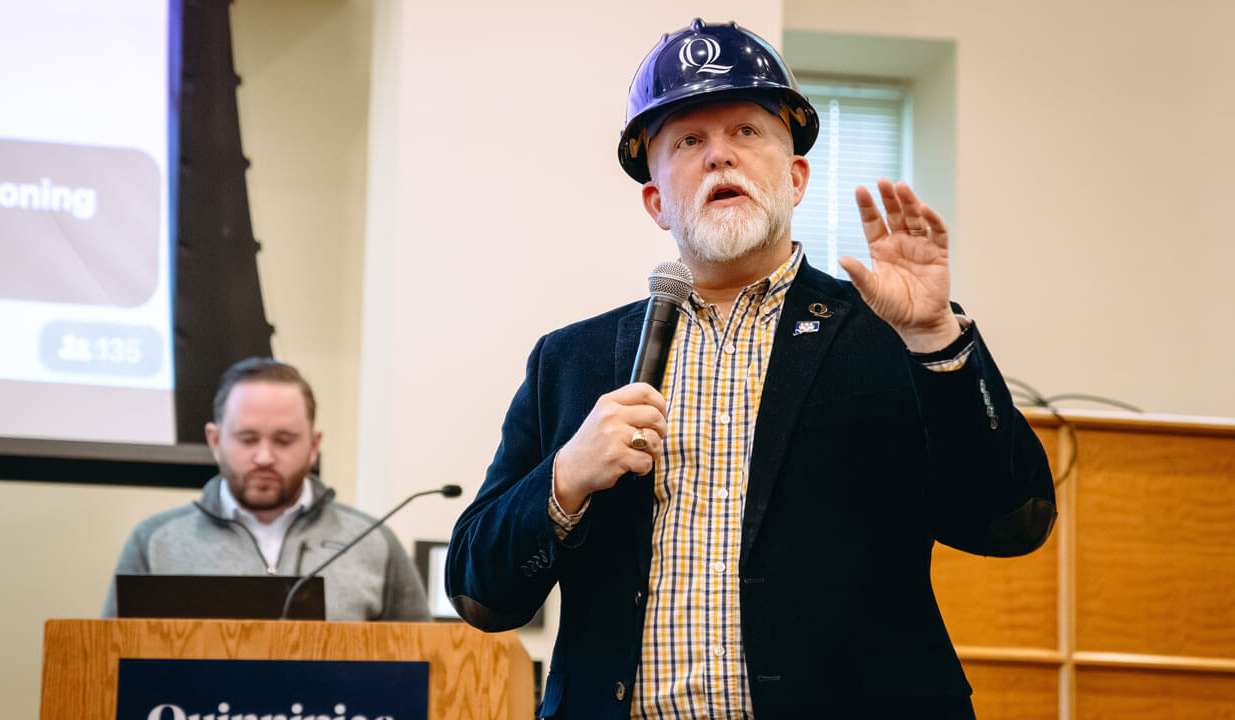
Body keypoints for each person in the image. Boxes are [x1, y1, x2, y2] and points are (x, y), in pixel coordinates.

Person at [446, 18, 1055, 719]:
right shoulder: (572, 360)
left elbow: (1013, 524)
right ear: (655, 201)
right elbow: (478, 594)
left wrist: (935, 338)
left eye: (746, 132)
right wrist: (564, 481)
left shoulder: (889, 331)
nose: (719, 158)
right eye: (689, 142)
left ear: (795, 178)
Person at [103, 357, 430, 622]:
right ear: (215, 441)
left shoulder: (372, 541)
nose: (264, 457)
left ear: (314, 445)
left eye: (283, 440)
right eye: (247, 439)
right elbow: (112, 666)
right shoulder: (156, 541)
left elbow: (421, 666)